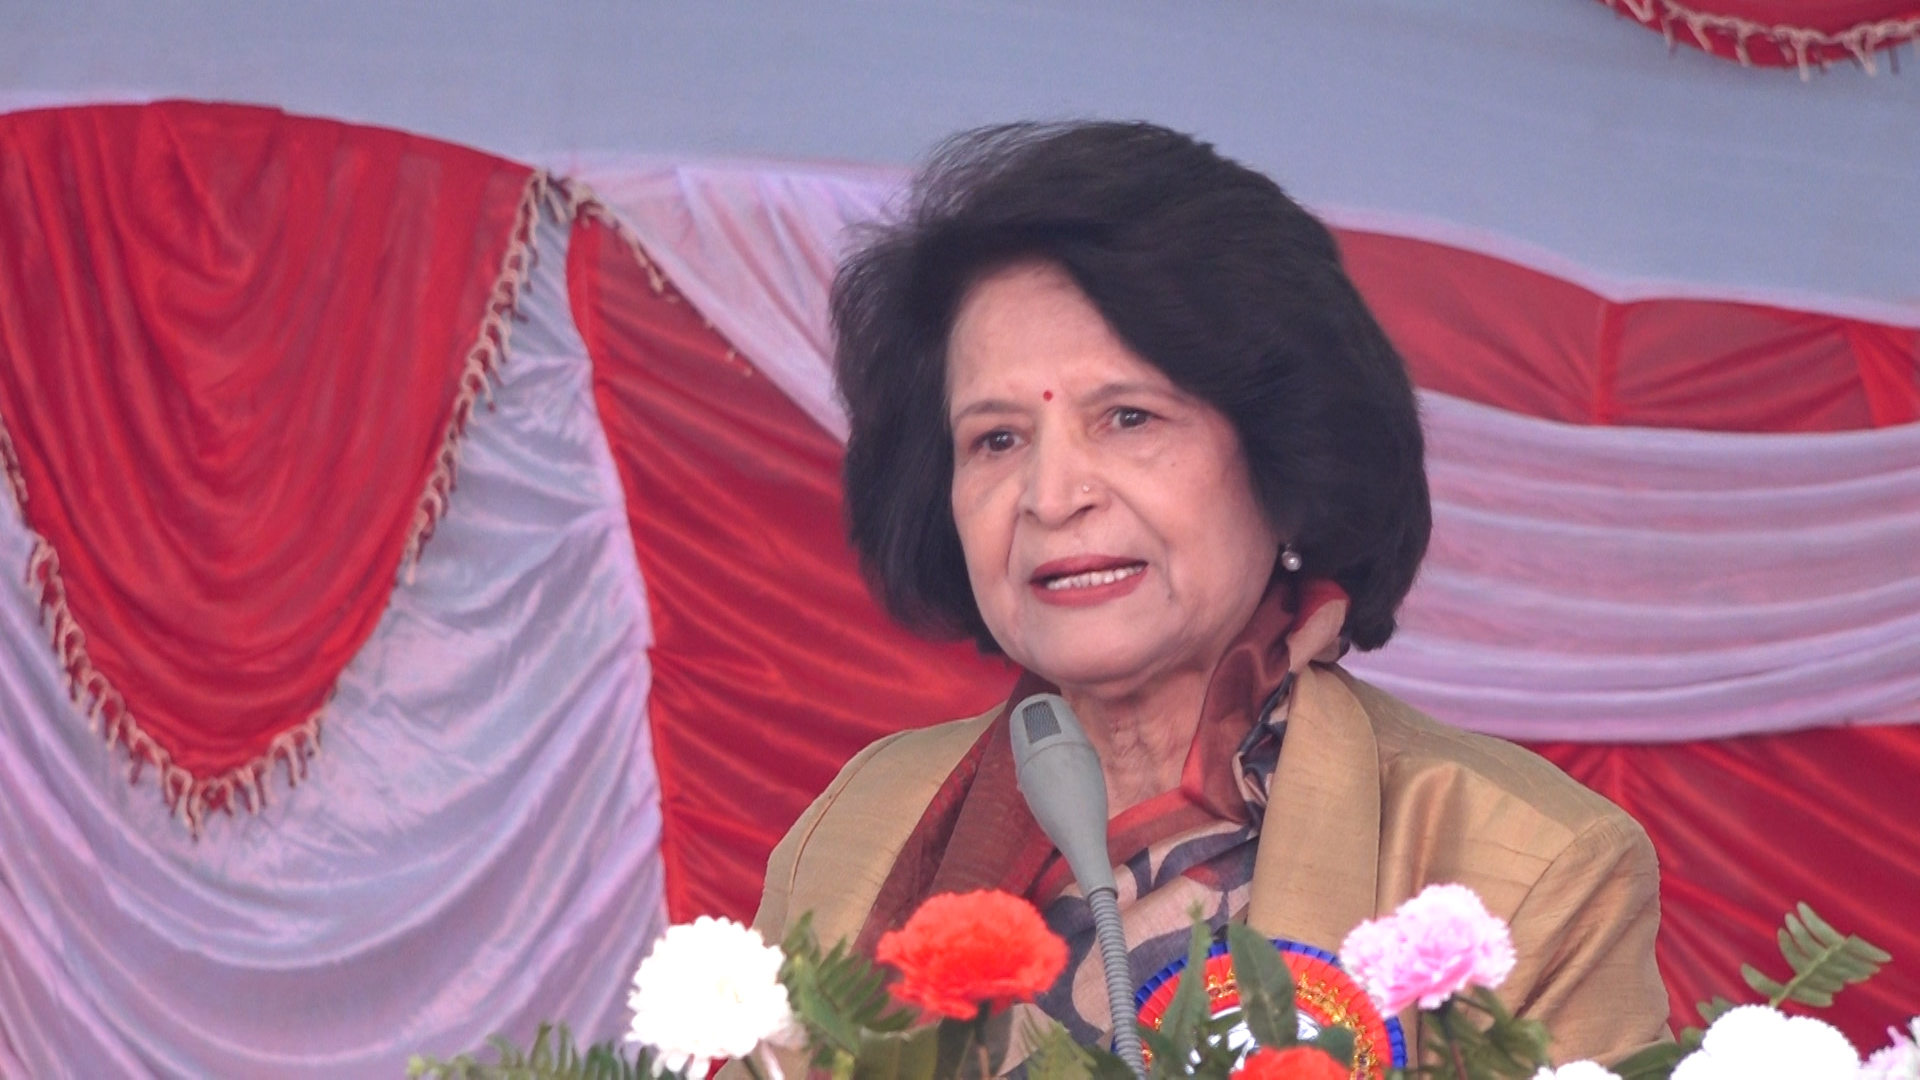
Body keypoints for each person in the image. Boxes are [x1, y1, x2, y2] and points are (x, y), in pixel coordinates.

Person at [749, 122, 1668, 1068]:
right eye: (997, 439)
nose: (1051, 497)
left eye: (1130, 417)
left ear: (1286, 462)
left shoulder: (1528, 872)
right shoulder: (858, 825)